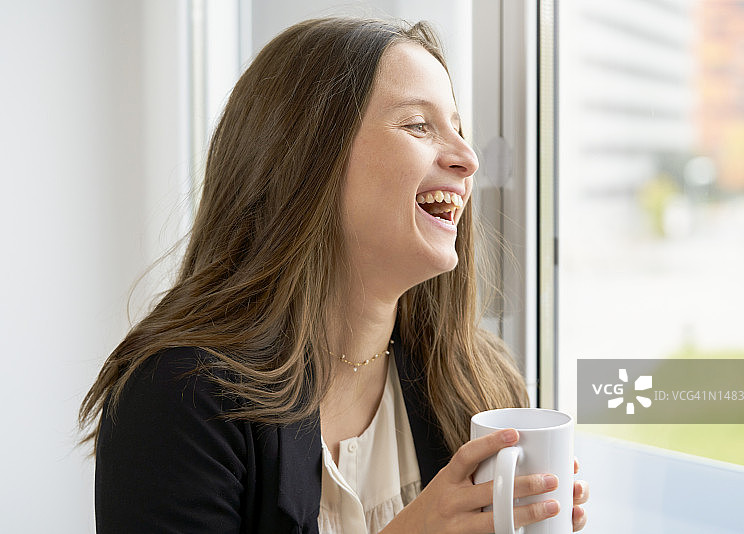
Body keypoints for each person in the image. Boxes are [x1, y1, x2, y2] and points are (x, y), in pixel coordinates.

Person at [79, 17, 589, 534]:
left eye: (458, 128)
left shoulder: (479, 380)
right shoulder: (177, 399)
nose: (468, 158)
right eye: (418, 125)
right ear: (306, 156)